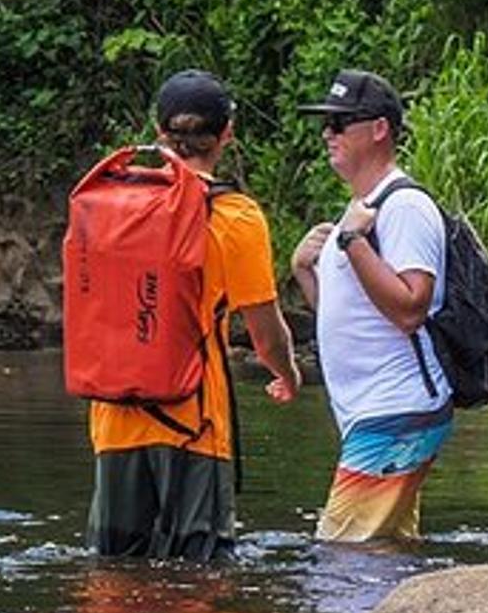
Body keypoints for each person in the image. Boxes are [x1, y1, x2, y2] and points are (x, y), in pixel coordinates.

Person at [87, 70, 300, 562]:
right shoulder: (234, 216)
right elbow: (266, 335)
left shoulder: (114, 205)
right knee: (198, 575)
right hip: (194, 423)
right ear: (227, 134)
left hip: (114, 419)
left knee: (114, 574)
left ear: (160, 133)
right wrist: (288, 374)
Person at [291, 69, 453, 543]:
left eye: (340, 123)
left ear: (380, 128)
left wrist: (353, 242)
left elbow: (410, 309)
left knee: (340, 556)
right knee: (385, 551)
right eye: (326, 124)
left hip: (395, 412)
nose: (328, 133)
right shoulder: (363, 209)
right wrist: (305, 272)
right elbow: (352, 319)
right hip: (379, 413)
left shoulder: (403, 207)